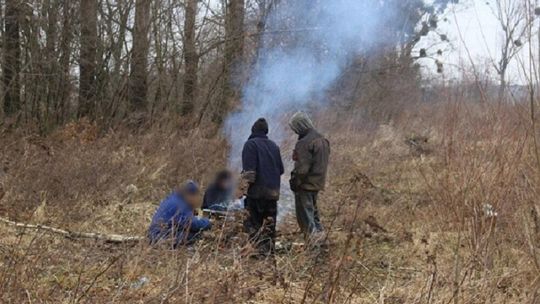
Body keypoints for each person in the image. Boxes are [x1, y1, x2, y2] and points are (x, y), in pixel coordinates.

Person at [242, 118, 284, 256]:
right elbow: (281, 170)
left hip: (257, 192)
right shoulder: (274, 146)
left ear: (253, 130)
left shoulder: (250, 145)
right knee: (269, 223)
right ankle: (268, 252)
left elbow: (249, 174)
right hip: (273, 192)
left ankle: (256, 250)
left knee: (254, 222)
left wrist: (242, 190)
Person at [289, 111, 330, 242]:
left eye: (295, 128)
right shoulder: (322, 139)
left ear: (300, 125)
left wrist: (294, 182)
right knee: (314, 215)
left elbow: (301, 170)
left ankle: (313, 250)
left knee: (306, 219)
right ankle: (321, 242)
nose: (295, 132)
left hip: (305, 186)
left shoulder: (304, 143)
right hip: (317, 184)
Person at [148, 180, 212, 247]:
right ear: (191, 195)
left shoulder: (174, 199)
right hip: (161, 236)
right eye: (196, 197)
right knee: (194, 235)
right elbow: (191, 224)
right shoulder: (181, 205)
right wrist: (208, 222)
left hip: (156, 234)